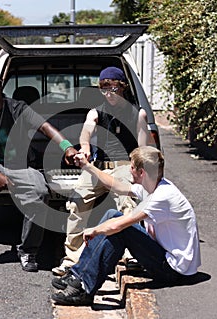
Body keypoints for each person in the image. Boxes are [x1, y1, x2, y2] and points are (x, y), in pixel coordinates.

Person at [0, 71, 77, 272]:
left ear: (1, 89)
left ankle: (28, 251)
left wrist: (67, 147)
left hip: (22, 166)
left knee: (40, 192)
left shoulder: (18, 108)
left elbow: (45, 127)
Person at [51, 146, 201, 306]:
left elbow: (120, 225)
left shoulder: (162, 197)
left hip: (173, 270)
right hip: (167, 257)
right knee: (111, 214)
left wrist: (93, 230)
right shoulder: (155, 185)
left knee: (121, 227)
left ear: (141, 172)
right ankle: (79, 275)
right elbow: (118, 186)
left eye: (131, 167)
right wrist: (87, 166)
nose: (129, 171)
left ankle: (83, 288)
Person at [52, 66, 150, 275]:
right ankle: (72, 259)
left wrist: (142, 175)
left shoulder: (137, 113)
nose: (109, 93)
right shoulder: (96, 111)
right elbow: (87, 130)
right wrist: (85, 148)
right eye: (105, 88)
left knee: (128, 203)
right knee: (77, 201)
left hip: (125, 165)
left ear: (122, 88)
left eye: (114, 88)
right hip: (99, 167)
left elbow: (144, 149)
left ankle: (131, 255)